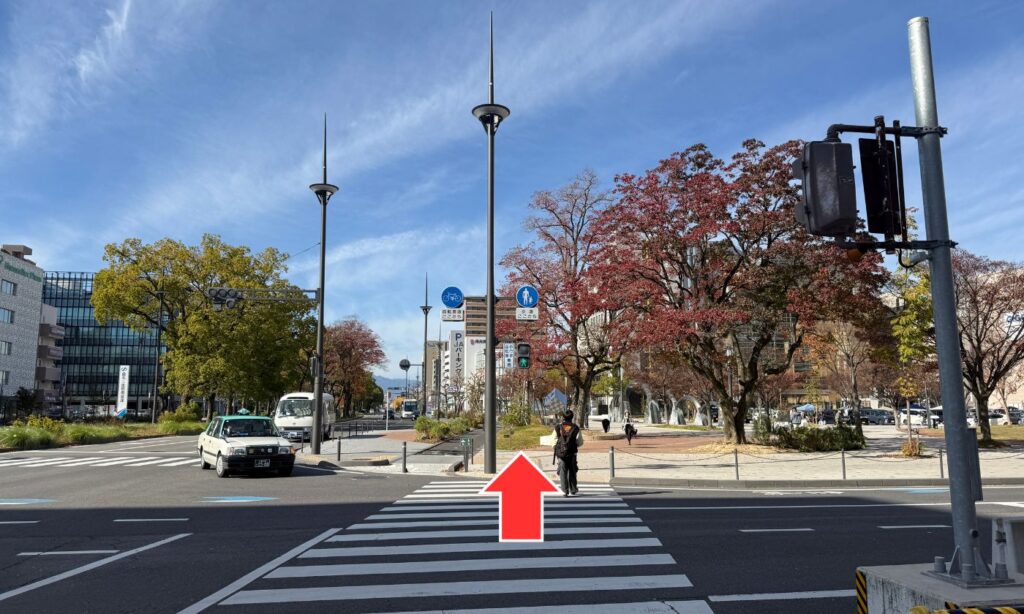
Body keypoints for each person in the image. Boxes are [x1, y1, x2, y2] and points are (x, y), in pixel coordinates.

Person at [551, 410, 583, 497]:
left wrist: (557, 448)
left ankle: (565, 491)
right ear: (572, 417)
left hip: (561, 454)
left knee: (562, 470)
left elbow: (553, 440)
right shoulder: (576, 428)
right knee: (572, 470)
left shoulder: (558, 427)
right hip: (572, 453)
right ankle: (573, 489)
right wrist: (573, 444)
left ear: (563, 417)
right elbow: (580, 442)